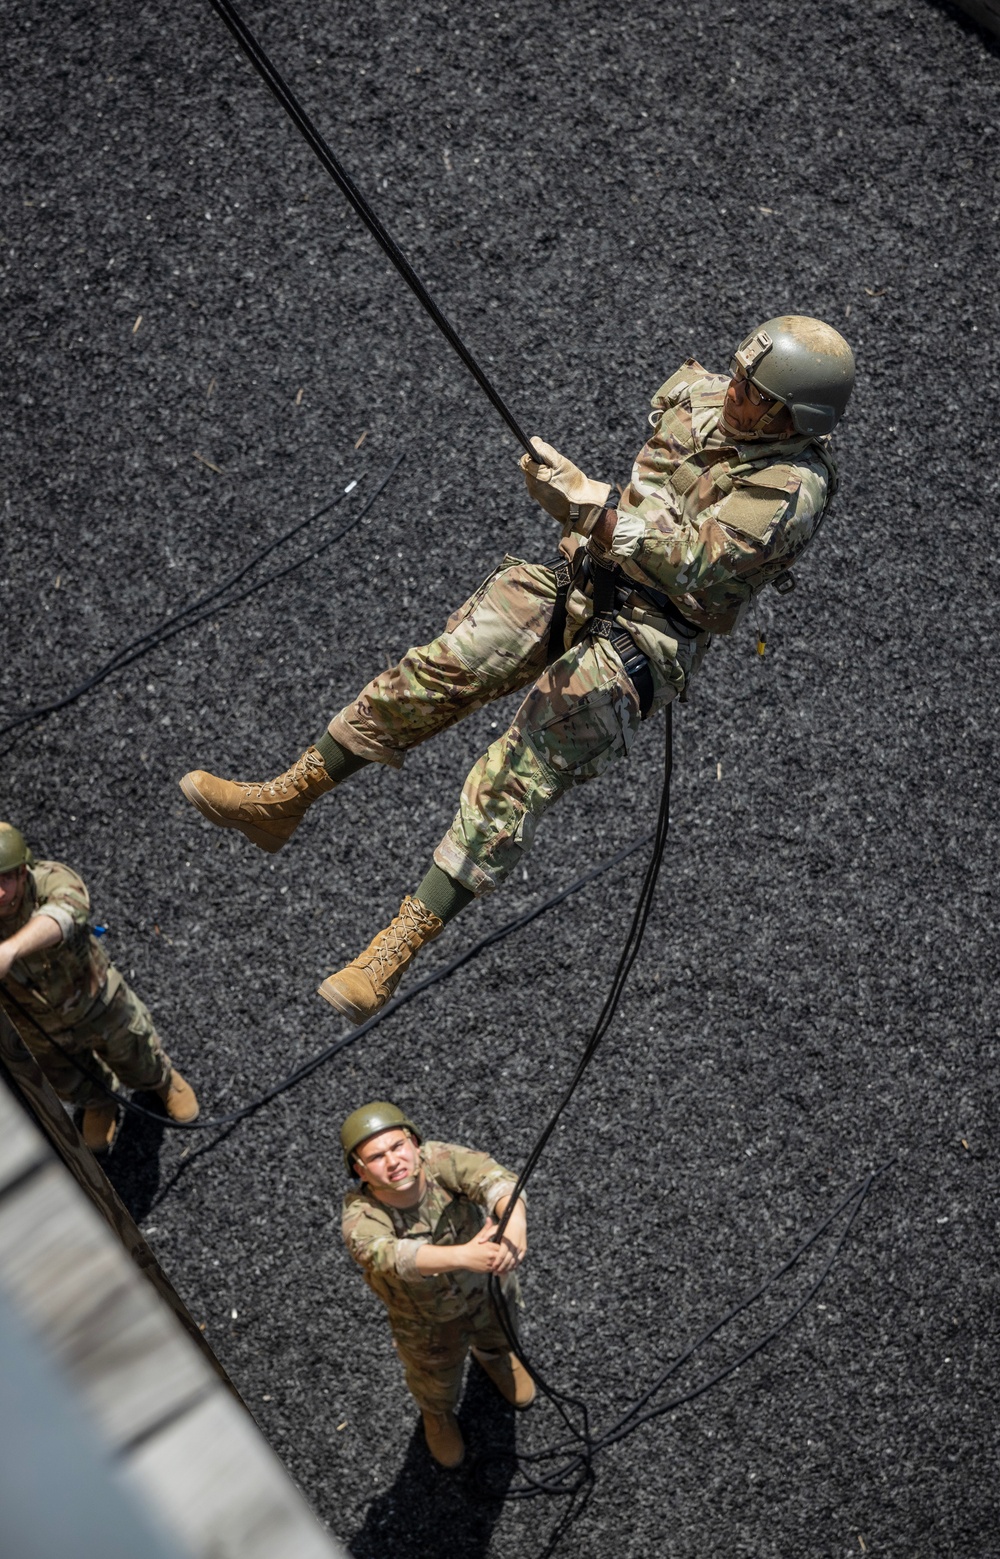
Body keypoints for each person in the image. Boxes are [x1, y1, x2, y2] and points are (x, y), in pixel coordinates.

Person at [180, 315, 854, 1019]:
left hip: (651, 632)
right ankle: (285, 798)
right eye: (742, 376)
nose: (739, 395)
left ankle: (396, 946)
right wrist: (572, 492)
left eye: (759, 396)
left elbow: (702, 560)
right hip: (583, 575)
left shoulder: (792, 485)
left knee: (518, 768)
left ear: (795, 419)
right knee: (440, 668)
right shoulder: (700, 397)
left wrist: (599, 512)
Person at [340, 1100, 532, 1468]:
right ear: (360, 1171)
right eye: (377, 1157)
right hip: (425, 1319)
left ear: (413, 1142)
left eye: (398, 1146)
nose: (394, 1161)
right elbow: (385, 1253)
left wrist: (515, 1219)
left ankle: (493, 1357)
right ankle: (438, 1414)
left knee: (500, 1333)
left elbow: (492, 1179)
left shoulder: (439, 1159)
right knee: (435, 1377)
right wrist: (462, 1256)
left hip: (486, 1289)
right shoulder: (361, 1215)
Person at [0, 822, 199, 1153]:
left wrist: (11, 949)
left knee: (133, 1047)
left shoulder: (51, 880)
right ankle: (98, 1101)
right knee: (63, 1074)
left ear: (23, 872)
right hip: (36, 1026)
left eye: (4, 878)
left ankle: (161, 1082)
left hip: (96, 999)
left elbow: (64, 913)